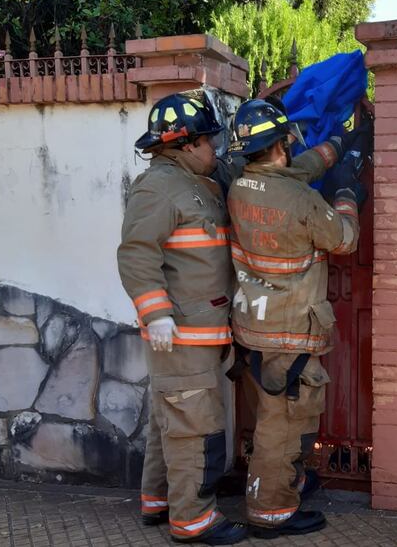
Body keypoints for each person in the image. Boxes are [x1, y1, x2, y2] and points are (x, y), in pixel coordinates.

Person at [226, 97, 369, 539]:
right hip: (290, 333)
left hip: (252, 329)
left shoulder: (239, 186)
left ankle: (284, 485)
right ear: (280, 146)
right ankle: (272, 512)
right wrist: (346, 193)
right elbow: (343, 239)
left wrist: (337, 144)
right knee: (283, 425)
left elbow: (292, 175)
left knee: (272, 418)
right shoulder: (303, 202)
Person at [117, 92, 249, 545]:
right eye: (210, 141)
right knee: (194, 426)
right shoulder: (158, 186)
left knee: (168, 418)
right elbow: (137, 253)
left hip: (199, 331)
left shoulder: (198, 181)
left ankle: (158, 501)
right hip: (181, 333)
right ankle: (193, 520)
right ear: (186, 143)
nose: (216, 148)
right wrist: (155, 314)